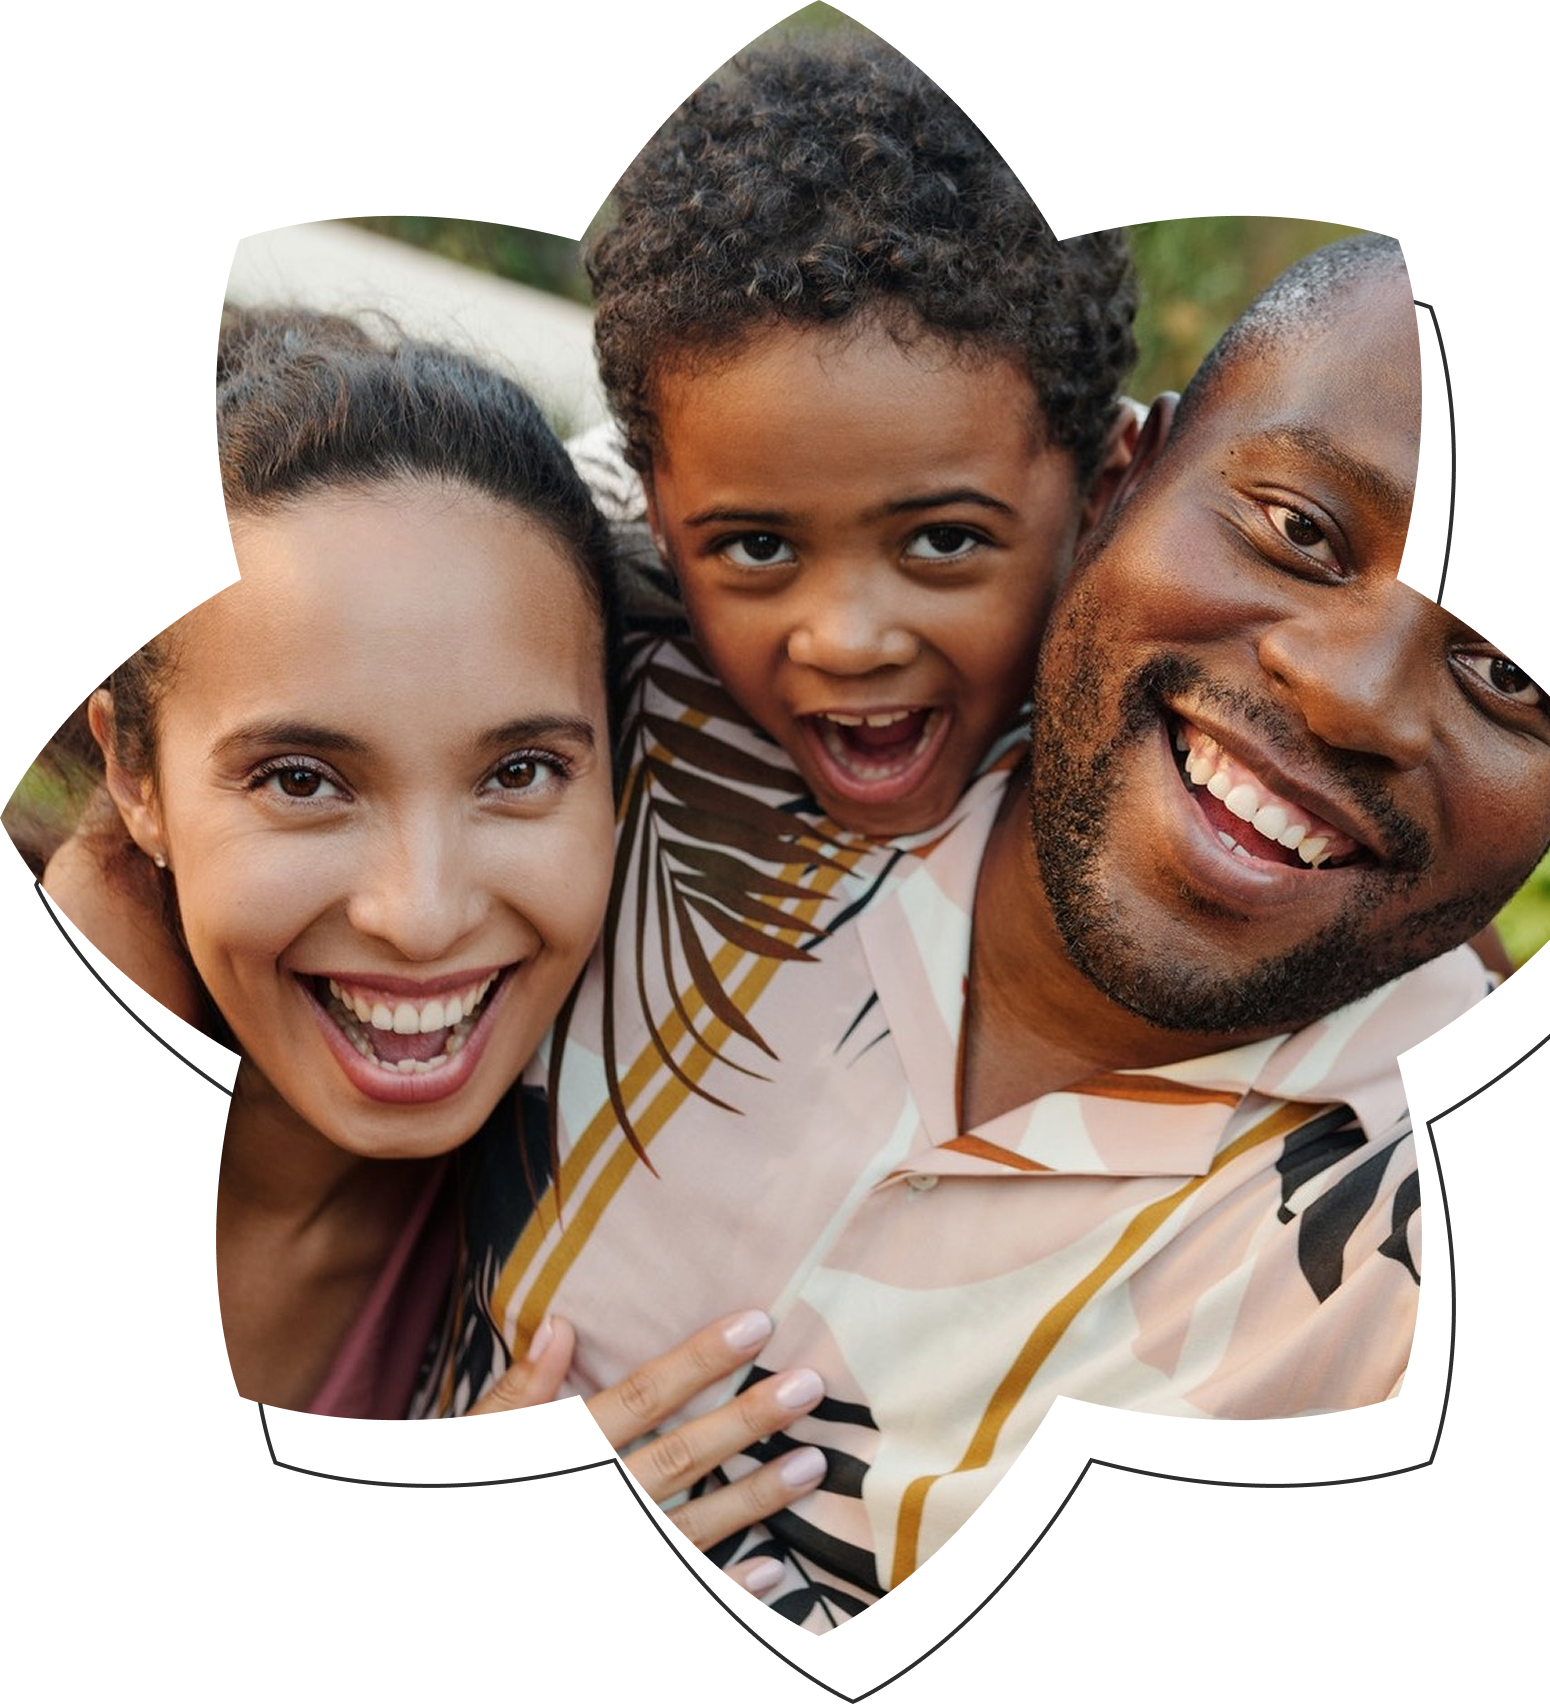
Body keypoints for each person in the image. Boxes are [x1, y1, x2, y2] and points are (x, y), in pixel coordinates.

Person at [429, 235, 1550, 1630]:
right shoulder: (657, 736)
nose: (1351, 702)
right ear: (1117, 480)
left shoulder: (1386, 1275)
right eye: (1299, 530)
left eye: (1511, 672)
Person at [20, 306, 828, 1583]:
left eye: (518, 770)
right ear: (134, 775)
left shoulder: (583, 1117)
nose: (425, 911)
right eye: (300, 779)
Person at [574, 34, 1139, 840]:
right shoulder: (573, 631)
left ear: (1102, 493)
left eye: (945, 540)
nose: (847, 645)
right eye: (758, 548)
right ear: (656, 510)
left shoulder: (1197, 758)